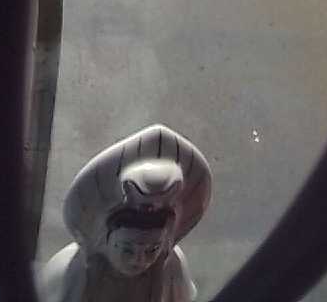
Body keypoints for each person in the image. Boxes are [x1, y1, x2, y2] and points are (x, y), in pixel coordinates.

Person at [39, 124, 212, 302]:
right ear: (106, 240)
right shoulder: (76, 271)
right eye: (127, 250)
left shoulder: (171, 267)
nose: (139, 260)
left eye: (152, 250)